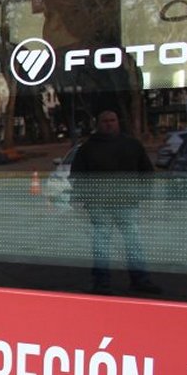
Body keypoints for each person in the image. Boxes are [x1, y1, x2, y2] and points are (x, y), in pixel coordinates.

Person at [70, 109, 160, 295]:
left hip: (126, 202)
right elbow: (77, 177)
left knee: (132, 241)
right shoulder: (87, 148)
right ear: (98, 124)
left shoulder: (132, 145)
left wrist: (144, 195)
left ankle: (138, 280)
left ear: (118, 122)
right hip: (99, 203)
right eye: (105, 121)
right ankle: (103, 282)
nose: (109, 124)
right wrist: (81, 199)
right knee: (103, 243)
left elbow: (147, 173)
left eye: (112, 120)